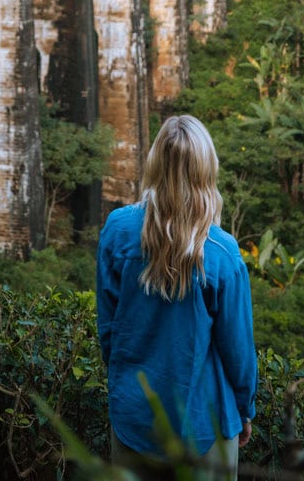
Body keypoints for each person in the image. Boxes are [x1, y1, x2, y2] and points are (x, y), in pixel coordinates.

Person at [97, 115, 257, 480]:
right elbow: (238, 352)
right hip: (207, 424)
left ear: (155, 164)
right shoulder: (222, 252)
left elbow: (109, 331)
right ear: (206, 171)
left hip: (134, 418)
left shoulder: (118, 231)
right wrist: (245, 409)